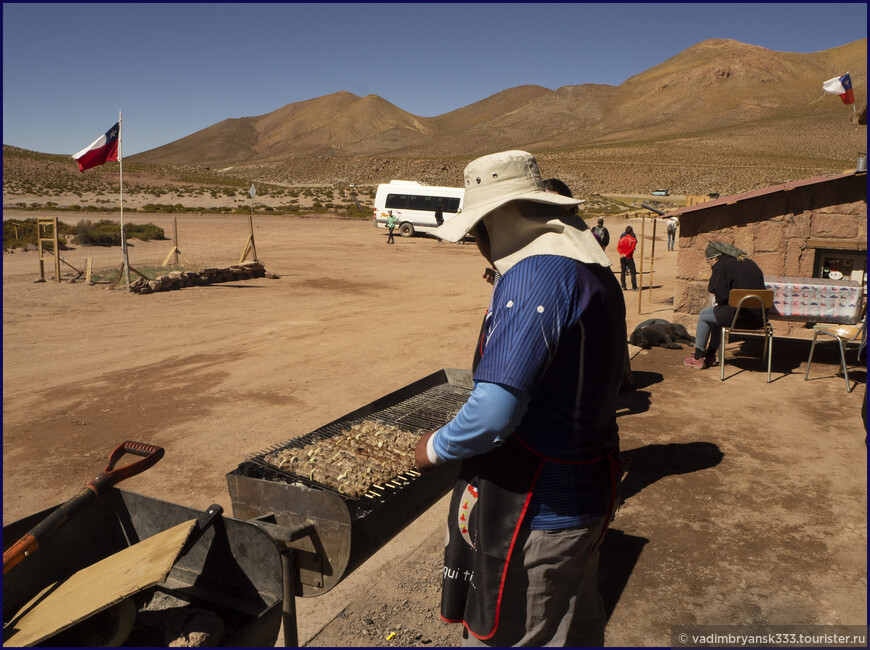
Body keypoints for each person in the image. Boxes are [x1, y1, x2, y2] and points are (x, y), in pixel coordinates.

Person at [415, 150, 625, 647]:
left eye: (475, 232)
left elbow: (493, 413)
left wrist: (433, 447)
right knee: (573, 625)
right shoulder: (588, 266)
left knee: (519, 633)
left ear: (494, 221)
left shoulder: (539, 274)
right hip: (586, 490)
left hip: (543, 508)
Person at [684, 241, 766, 369]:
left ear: (715, 258)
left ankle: (698, 357)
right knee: (717, 315)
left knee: (704, 315)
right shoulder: (749, 262)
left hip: (739, 318)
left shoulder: (722, 265)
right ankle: (710, 356)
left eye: (709, 262)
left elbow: (719, 294)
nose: (710, 265)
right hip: (759, 319)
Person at [617, 225, 638, 290]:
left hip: (622, 257)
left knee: (623, 272)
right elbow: (632, 249)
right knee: (633, 272)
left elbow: (618, 248)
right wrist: (626, 254)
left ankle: (623, 286)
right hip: (629, 257)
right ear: (631, 232)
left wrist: (622, 254)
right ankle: (634, 287)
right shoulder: (633, 240)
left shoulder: (621, 239)